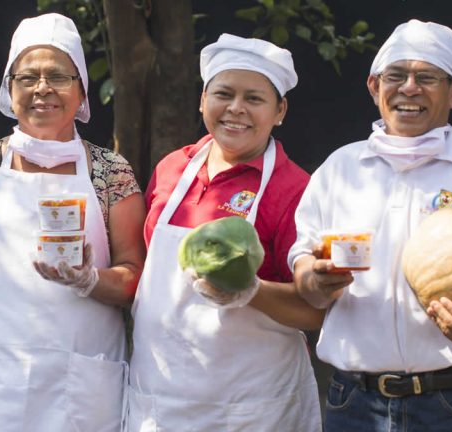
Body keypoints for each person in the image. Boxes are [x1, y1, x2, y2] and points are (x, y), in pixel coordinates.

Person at [290, 19, 452, 431]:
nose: (408, 88)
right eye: (396, 76)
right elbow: (303, 262)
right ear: (373, 87)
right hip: (355, 405)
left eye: (427, 78)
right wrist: (313, 280)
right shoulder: (338, 171)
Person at [0, 13, 146, 431]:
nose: (42, 89)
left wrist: (89, 280)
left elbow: (134, 279)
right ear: (9, 88)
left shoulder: (110, 171)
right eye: (27, 77)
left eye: (58, 76)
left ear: (81, 88)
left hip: (84, 385)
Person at [128, 34, 323, 431]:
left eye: (254, 98)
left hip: (251, 406)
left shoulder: (295, 189)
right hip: (159, 397)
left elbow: (314, 311)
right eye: (224, 94)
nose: (236, 109)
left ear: (280, 110)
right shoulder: (172, 169)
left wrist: (250, 291)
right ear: (202, 101)